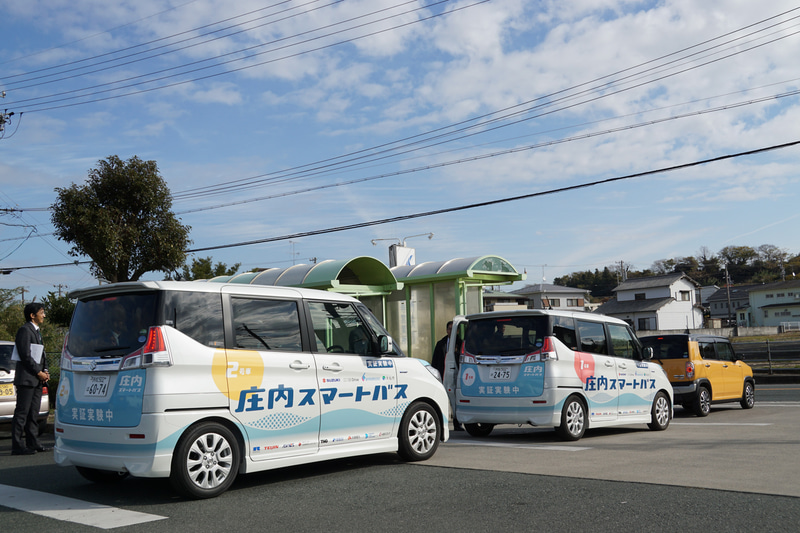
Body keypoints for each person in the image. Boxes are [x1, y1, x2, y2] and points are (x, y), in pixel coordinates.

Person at [11, 302, 51, 455]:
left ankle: (33, 442)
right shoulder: (25, 330)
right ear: (32, 315)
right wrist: (38, 372)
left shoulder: (36, 331)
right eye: (41, 312)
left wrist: (45, 371)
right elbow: (25, 355)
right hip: (27, 379)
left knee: (33, 413)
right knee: (22, 412)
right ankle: (17, 446)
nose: (44, 315)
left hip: (36, 378)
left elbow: (41, 354)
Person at [432, 321, 462, 431]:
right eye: (449, 329)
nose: (451, 331)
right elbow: (435, 361)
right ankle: (442, 423)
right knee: (443, 399)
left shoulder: (460, 343)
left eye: (453, 329)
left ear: (457, 331)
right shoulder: (441, 343)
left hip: (456, 374)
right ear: (446, 330)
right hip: (443, 374)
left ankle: (457, 423)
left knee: (455, 400)